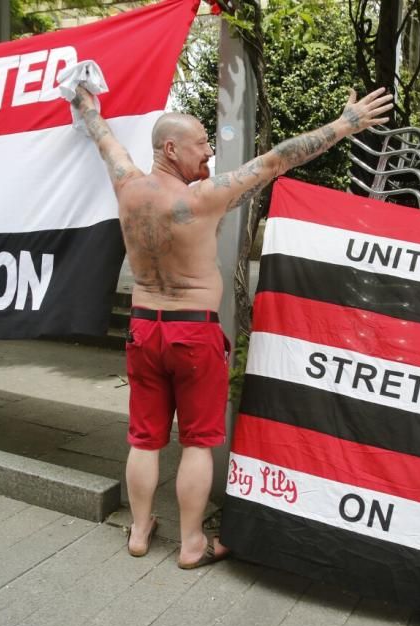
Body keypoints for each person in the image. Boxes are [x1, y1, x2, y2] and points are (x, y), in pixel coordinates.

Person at [71, 85, 393, 569]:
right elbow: (274, 161)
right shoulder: (202, 198)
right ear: (171, 149)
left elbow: (104, 141)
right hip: (193, 334)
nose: (210, 150)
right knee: (198, 442)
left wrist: (89, 111)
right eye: (202, 142)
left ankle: (139, 530)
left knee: (143, 438)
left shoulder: (127, 185)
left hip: (143, 331)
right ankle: (192, 543)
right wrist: (344, 125)